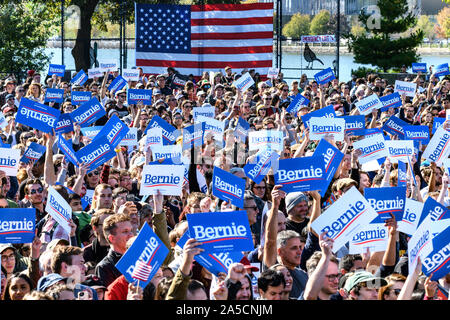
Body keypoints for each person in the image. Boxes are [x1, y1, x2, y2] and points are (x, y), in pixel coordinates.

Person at [95, 213, 134, 287]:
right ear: (112, 238)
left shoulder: (139, 256)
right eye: (125, 231)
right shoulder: (104, 267)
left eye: (131, 230)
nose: (131, 235)